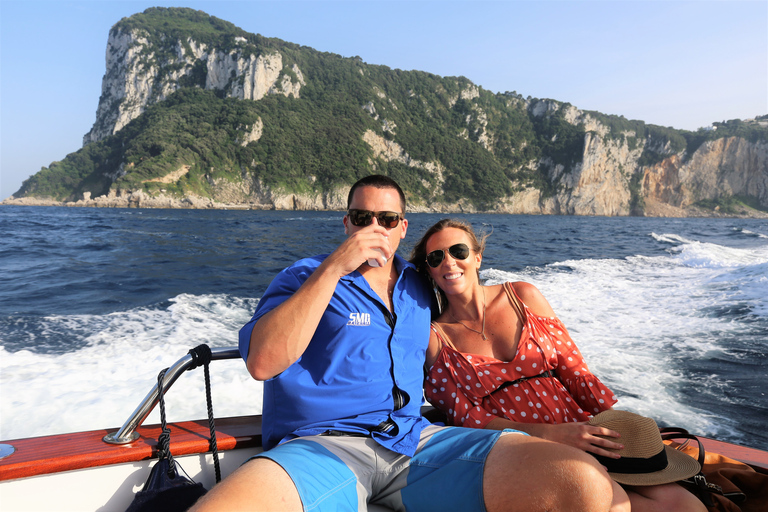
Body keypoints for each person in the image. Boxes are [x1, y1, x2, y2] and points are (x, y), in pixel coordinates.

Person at [191, 177, 629, 512]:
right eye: (362, 219)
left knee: (581, 482)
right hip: (323, 446)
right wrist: (336, 266)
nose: (373, 228)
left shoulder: (418, 286)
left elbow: (466, 337)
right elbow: (263, 362)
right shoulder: (304, 276)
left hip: (415, 441)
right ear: (347, 223)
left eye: (386, 220)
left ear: (402, 228)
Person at [409, 218, 706, 512]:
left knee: (685, 505)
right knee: (614, 504)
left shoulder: (523, 296)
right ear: (430, 271)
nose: (448, 262)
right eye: (436, 257)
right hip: (522, 446)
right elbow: (469, 419)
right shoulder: (435, 338)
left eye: (458, 251)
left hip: (578, 427)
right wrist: (548, 434)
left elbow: (575, 373)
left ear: (477, 257)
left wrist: (619, 430)